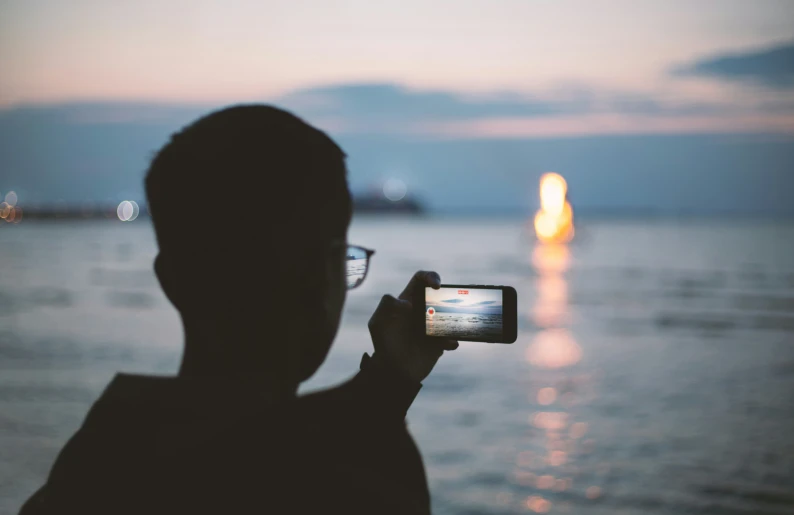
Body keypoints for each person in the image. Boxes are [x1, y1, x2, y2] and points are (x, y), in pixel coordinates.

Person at [19, 105, 458, 515]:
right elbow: (283, 454)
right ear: (323, 276)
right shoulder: (359, 481)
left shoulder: (91, 464)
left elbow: (243, 442)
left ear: (168, 279)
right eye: (346, 261)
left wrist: (389, 380)